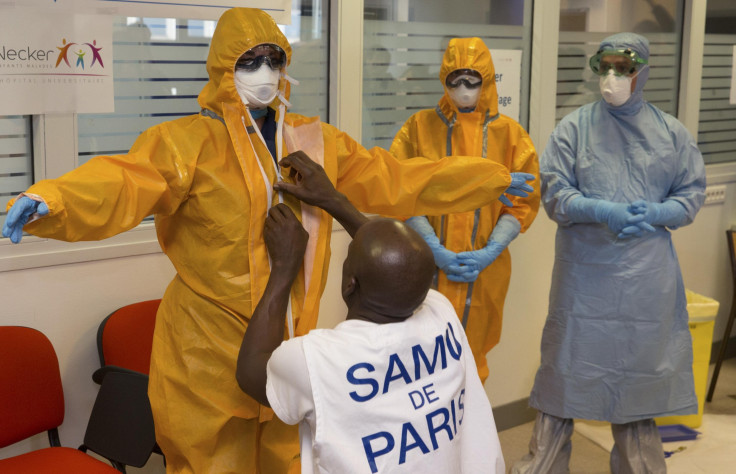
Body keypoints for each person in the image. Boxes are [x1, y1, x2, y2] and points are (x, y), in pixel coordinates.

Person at [1, 8, 532, 473]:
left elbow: (398, 178)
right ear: (222, 69)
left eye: (273, 59)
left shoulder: (312, 143)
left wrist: (489, 177)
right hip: (204, 353)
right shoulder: (185, 144)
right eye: (248, 62)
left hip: (287, 339)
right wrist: (55, 200)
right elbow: (124, 181)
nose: (264, 73)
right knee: (210, 465)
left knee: (289, 458)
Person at [236, 152, 504, 473]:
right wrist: (334, 199)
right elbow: (401, 261)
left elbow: (251, 373)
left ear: (350, 284)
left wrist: (283, 268)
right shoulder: (440, 311)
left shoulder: (317, 360)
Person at [512, 33, 705, 473]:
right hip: (584, 280)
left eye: (624, 68)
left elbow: (690, 195)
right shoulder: (573, 129)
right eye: (606, 67)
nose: (613, 77)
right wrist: (601, 209)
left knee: (636, 386)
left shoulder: (671, 133)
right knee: (564, 376)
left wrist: (657, 211)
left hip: (645, 280)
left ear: (643, 71)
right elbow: (556, 194)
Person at [391, 37, 540, 383]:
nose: (463, 89)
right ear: (444, 80)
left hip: (484, 272)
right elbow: (400, 190)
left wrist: (489, 252)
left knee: (471, 359)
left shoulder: (511, 134)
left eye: (472, 80)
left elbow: (523, 202)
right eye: (455, 80)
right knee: (418, 355)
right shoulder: (418, 128)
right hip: (424, 263)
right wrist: (435, 249)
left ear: (487, 81)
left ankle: (468, 431)